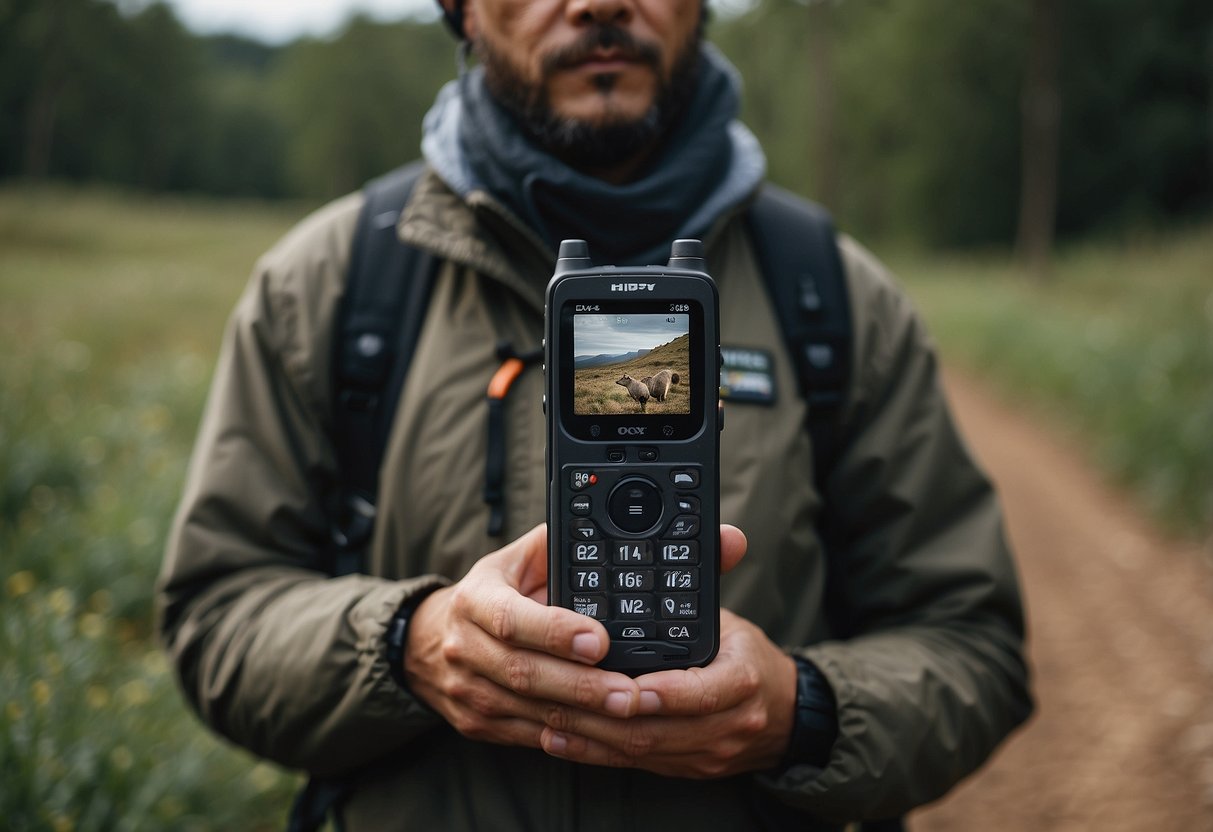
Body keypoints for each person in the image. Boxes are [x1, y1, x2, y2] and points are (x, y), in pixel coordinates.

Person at [157, 0, 1033, 829]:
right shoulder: (328, 287)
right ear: (458, 7)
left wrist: (798, 713)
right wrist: (405, 647)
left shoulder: (837, 297)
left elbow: (975, 650)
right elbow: (215, 615)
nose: (599, 3)